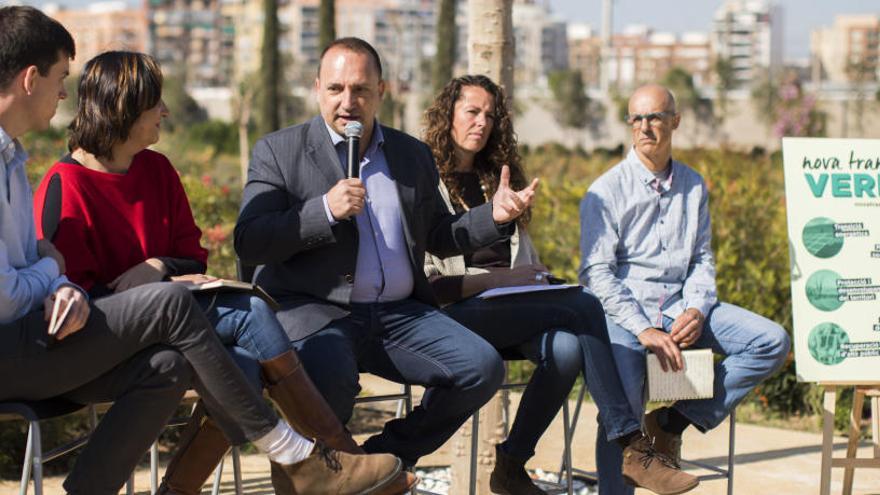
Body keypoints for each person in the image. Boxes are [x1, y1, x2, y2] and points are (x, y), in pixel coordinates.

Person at [0, 7, 402, 495]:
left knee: (201, 364)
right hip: (42, 346)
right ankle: (319, 458)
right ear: (29, 79)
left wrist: (149, 269)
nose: (64, 93)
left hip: (82, 333)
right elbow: (22, 292)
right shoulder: (61, 183)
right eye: (60, 77)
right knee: (241, 307)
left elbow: (178, 256)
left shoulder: (17, 162)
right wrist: (55, 272)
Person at [235, 37, 535, 470]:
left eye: (360, 89)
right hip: (316, 313)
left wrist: (494, 216)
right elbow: (250, 239)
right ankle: (329, 475)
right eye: (336, 89)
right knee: (330, 376)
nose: (348, 102)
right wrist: (323, 210)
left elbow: (438, 235)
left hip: (398, 314)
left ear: (382, 91)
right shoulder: (279, 151)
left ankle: (383, 460)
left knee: (482, 367)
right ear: (318, 88)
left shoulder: (411, 154)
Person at [422, 74, 699, 495]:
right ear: (448, 116)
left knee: (567, 349)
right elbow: (431, 285)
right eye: (472, 112)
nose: (482, 122)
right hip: (450, 315)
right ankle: (631, 445)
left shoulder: (492, 178)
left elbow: (518, 258)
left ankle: (511, 464)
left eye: (490, 115)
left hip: (505, 307)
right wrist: (505, 278)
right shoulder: (425, 180)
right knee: (585, 303)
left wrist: (537, 280)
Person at [580, 83, 791, 495]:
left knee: (771, 341)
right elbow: (597, 274)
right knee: (622, 399)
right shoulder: (605, 191)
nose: (645, 127)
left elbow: (701, 259)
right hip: (626, 312)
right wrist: (644, 329)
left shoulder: (693, 185)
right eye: (637, 119)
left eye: (655, 117)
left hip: (680, 304)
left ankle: (672, 421)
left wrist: (696, 309)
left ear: (675, 121)